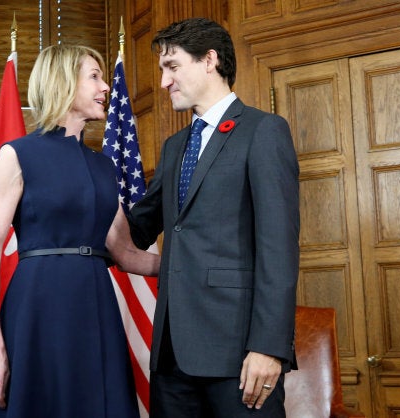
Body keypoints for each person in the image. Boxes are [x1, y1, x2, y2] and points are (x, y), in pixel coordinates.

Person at [126, 17, 300, 417]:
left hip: (238, 356)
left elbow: (278, 249)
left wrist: (269, 348)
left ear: (209, 60)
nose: (165, 81)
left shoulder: (263, 131)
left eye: (173, 67)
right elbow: (138, 227)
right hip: (171, 359)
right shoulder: (174, 147)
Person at [0, 44, 159, 418]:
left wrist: (188, 265)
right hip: (36, 309)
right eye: (94, 77)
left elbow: (124, 254)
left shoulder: (105, 167)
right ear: (62, 83)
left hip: (96, 310)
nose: (105, 87)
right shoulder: (18, 154)